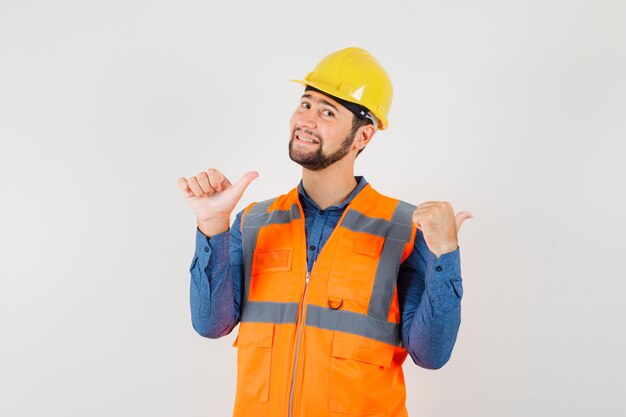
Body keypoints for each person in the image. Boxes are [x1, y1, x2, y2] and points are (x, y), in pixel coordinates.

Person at [178, 47, 472, 417]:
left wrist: (445, 251)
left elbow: (430, 354)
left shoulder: (406, 229)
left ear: (363, 136)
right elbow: (210, 324)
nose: (307, 120)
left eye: (327, 112)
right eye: (305, 104)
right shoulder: (252, 221)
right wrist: (213, 226)